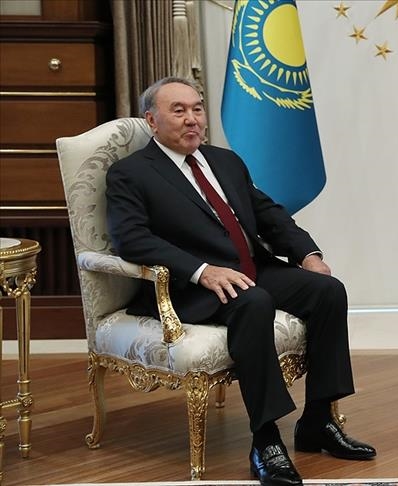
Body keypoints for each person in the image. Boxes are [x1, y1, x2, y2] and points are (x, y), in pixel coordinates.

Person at [106, 77, 375, 486]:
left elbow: (269, 214)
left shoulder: (225, 161)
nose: (192, 119)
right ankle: (266, 440)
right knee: (254, 301)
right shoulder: (131, 173)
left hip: (252, 269)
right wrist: (202, 270)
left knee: (327, 291)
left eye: (197, 109)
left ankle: (318, 421)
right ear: (152, 120)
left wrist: (308, 254)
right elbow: (132, 239)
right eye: (179, 110)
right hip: (193, 286)